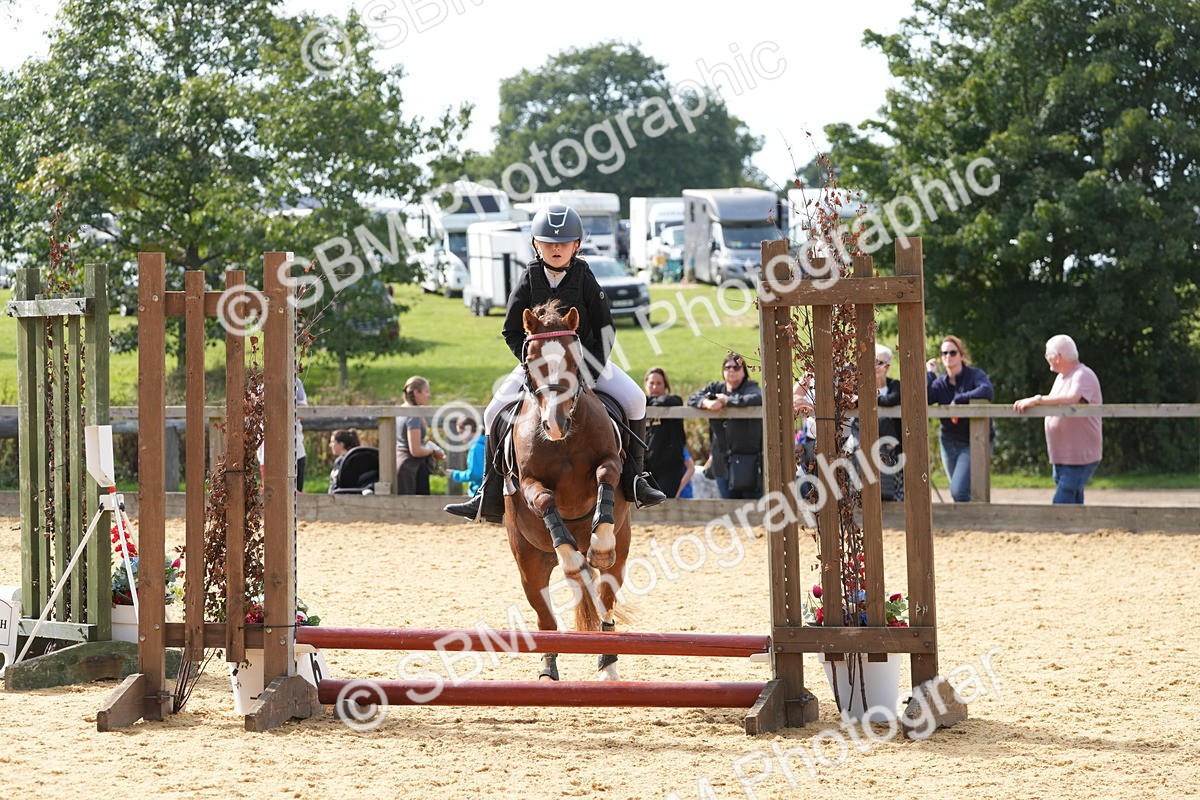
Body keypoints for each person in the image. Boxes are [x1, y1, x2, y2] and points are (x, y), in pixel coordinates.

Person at [445, 204, 666, 522]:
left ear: (576, 245)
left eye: (564, 243)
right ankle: (489, 493)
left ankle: (636, 479)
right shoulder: (528, 279)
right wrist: (531, 368)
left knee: (635, 399)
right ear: (536, 244)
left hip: (586, 363)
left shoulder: (585, 276)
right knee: (493, 411)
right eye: (549, 242)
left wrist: (587, 373)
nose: (557, 248)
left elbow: (605, 328)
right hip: (538, 369)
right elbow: (510, 330)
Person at [1013, 334, 1102, 504]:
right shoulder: (1062, 377)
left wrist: (1037, 399)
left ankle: (1059, 528)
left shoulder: (1082, 374)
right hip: (1064, 455)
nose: (1046, 358)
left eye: (1048, 354)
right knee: (1072, 496)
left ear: (1057, 356)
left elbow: (1071, 398)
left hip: (1079, 456)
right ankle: (1079, 528)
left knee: (1063, 499)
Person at [687, 353, 764, 500]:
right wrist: (706, 403)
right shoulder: (715, 388)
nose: (731, 370)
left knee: (752, 506)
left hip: (747, 459)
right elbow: (692, 398)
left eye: (736, 367)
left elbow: (756, 397)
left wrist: (727, 400)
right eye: (727, 367)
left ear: (744, 371)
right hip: (721, 459)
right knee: (729, 505)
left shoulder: (751, 387)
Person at [926, 335, 993, 502]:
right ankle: (975, 523)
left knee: (958, 491)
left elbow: (987, 390)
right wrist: (929, 374)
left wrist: (959, 399)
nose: (948, 356)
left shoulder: (974, 375)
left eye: (953, 352)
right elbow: (924, 399)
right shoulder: (939, 383)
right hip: (948, 441)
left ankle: (973, 522)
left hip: (975, 440)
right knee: (961, 491)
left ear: (962, 355)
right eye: (944, 353)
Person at [643, 367, 689, 498]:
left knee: (663, 503)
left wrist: (649, 402)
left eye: (659, 383)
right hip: (646, 468)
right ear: (645, 384)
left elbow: (671, 400)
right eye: (651, 383)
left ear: (665, 386)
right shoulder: (639, 406)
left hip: (669, 469)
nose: (655, 387)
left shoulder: (672, 402)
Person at [395, 375, 445, 495]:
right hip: (412, 469)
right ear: (417, 393)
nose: (429, 395)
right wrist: (432, 451)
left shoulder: (400, 410)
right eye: (426, 391)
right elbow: (416, 450)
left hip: (401, 464)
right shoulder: (414, 415)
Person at [873, 345, 904, 501]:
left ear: (887, 366)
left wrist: (873, 400)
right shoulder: (865, 387)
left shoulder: (895, 385)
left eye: (879, 362)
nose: (876, 366)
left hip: (893, 444)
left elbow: (892, 399)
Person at [449, 416, 486, 496]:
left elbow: (475, 474)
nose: (460, 436)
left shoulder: (476, 447)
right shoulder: (485, 443)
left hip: (479, 492)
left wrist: (455, 474)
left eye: (461, 432)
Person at [327, 429, 361, 493]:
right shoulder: (358, 459)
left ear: (341, 444)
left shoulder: (340, 462)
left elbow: (334, 485)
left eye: (333, 442)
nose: (330, 445)